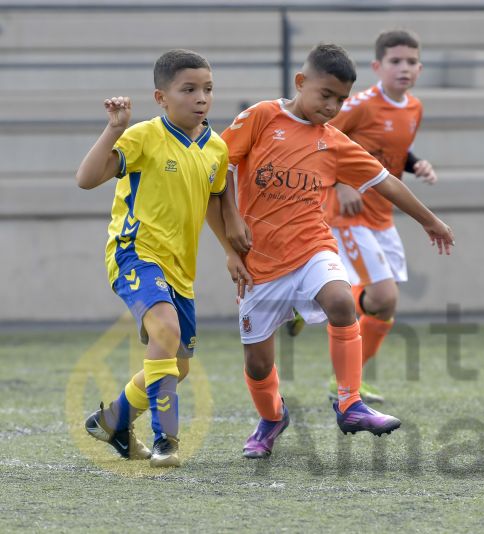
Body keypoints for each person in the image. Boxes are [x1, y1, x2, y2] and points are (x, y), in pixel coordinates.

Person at [220, 43, 454, 459]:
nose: (332, 106)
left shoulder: (334, 142)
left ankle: (350, 403)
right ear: (300, 82)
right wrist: (231, 237)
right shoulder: (261, 117)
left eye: (341, 100)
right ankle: (272, 418)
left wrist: (429, 220)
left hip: (313, 246)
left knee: (342, 301)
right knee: (258, 363)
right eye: (325, 95)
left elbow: (386, 181)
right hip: (260, 262)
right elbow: (216, 170)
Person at [76, 49, 250, 468]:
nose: (200, 98)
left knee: (179, 367)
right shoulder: (143, 136)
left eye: (207, 89)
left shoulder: (216, 148)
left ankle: (113, 421)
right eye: (188, 89)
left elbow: (214, 200)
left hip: (180, 269)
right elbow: (86, 179)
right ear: (161, 97)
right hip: (135, 253)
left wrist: (230, 250)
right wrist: (114, 129)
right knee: (166, 331)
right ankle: (166, 440)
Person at [286, 29, 435, 405]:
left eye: (411, 62)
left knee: (385, 305)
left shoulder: (414, 108)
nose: (404, 68)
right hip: (348, 215)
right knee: (383, 294)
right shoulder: (359, 105)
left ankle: (347, 372)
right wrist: (340, 184)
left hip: (382, 216)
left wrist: (416, 164)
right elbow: (320, 140)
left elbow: (390, 151)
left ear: (420, 68)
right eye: (395, 61)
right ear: (377, 66)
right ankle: (316, 307)